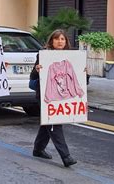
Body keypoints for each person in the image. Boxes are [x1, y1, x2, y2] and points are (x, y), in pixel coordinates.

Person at [30, 29, 77, 168]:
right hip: (46, 95)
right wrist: (37, 70)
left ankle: (38, 149)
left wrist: (84, 72)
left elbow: (81, 78)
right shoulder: (43, 55)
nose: (60, 41)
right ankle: (66, 156)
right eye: (57, 39)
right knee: (54, 122)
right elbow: (33, 77)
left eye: (62, 39)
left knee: (48, 122)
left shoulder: (72, 57)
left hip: (63, 94)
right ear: (51, 41)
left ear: (66, 41)